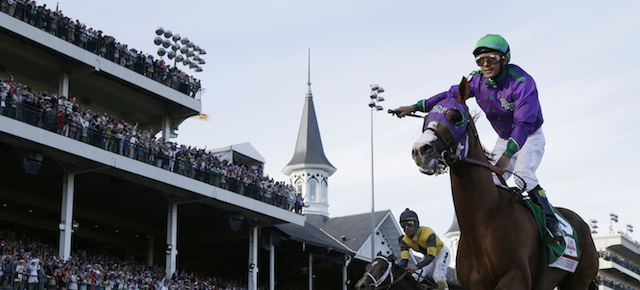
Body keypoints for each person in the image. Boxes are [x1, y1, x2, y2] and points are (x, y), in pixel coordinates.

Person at [393, 34, 563, 239]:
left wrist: (508, 154)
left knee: (523, 177)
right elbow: (449, 95)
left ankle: (551, 221)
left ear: (504, 59)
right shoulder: (478, 81)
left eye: (491, 59)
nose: (485, 64)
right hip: (504, 137)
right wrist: (415, 106)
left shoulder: (522, 82)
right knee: (491, 181)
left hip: (529, 136)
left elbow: (523, 124)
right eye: (480, 61)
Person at [397, 208, 450, 290]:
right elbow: (404, 261)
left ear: (416, 223)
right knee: (415, 276)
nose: (406, 228)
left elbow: (432, 256)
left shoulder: (428, 234)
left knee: (438, 275)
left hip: (441, 253)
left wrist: (417, 266)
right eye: (403, 225)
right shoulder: (404, 241)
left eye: (409, 224)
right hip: (427, 256)